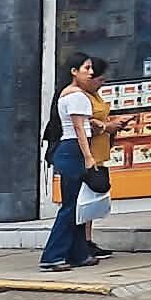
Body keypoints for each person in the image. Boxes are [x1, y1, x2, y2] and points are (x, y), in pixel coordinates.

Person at [41, 55, 107, 273]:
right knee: (71, 207)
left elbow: (79, 122)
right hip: (74, 150)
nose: (90, 72)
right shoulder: (78, 95)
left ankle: (79, 254)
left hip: (69, 149)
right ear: (73, 71)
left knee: (78, 205)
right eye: (86, 68)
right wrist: (89, 157)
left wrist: (94, 122)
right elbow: (79, 129)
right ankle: (52, 256)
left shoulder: (66, 94)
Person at [76, 59, 136, 259]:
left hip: (100, 150)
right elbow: (85, 123)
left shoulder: (95, 95)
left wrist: (114, 124)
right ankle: (81, 242)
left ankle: (87, 240)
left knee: (93, 199)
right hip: (88, 152)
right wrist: (107, 127)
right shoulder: (80, 97)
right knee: (85, 199)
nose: (102, 83)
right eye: (99, 79)